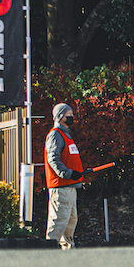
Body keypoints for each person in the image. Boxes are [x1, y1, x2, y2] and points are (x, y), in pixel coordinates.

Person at [44, 103, 92, 249]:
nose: (72, 117)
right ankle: (48, 252)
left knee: (70, 221)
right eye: (68, 114)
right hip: (60, 186)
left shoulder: (66, 135)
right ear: (60, 116)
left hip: (70, 186)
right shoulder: (55, 135)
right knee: (59, 221)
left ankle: (68, 251)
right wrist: (68, 173)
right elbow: (53, 159)